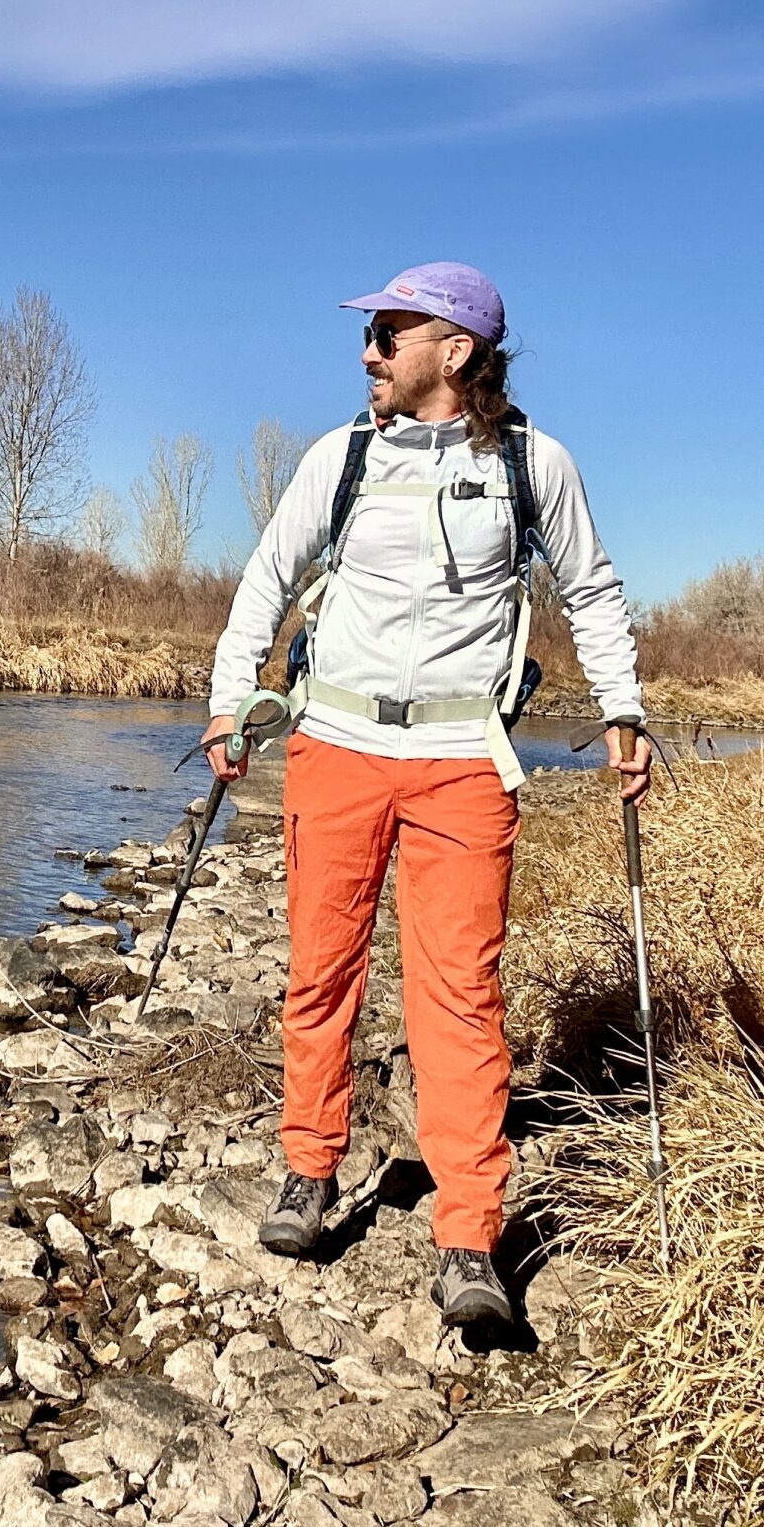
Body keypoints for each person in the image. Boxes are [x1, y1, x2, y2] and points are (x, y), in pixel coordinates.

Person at [204, 261, 651, 1325]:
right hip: (335, 750)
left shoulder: (536, 466)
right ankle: (309, 1174)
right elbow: (266, 578)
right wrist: (230, 704)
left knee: (460, 999)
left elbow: (589, 589)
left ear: (454, 350)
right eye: (367, 337)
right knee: (320, 973)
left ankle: (468, 1238)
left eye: (386, 334)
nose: (367, 354)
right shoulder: (340, 457)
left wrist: (623, 714)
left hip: (464, 765)